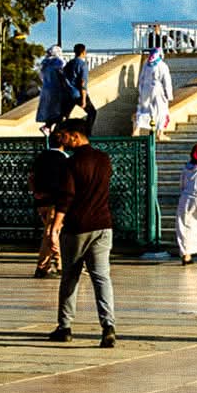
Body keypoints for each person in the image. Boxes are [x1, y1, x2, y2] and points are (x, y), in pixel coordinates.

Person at [46, 119, 117, 347]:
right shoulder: (104, 160)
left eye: (65, 136)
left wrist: (55, 228)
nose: (62, 140)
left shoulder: (71, 164)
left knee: (70, 277)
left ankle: (65, 326)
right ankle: (108, 326)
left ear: (75, 136)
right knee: (101, 277)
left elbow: (66, 198)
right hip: (103, 225)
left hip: (78, 227)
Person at [29, 126, 70, 278]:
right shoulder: (65, 158)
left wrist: (35, 193)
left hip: (41, 202)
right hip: (55, 201)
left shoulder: (40, 157)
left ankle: (51, 265)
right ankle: (49, 266)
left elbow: (31, 177)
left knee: (51, 232)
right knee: (51, 233)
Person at [134, 46, 173, 138]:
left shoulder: (146, 64)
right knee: (162, 111)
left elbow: (141, 79)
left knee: (144, 110)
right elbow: (167, 81)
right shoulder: (162, 65)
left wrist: (141, 91)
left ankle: (136, 130)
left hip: (145, 90)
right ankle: (160, 133)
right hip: (157, 90)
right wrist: (169, 95)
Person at [36, 46, 67, 133]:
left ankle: (48, 127)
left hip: (46, 89)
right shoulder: (58, 62)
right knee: (58, 111)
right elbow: (63, 74)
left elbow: (41, 76)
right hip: (56, 89)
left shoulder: (45, 63)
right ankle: (53, 129)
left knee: (49, 111)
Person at [63, 44, 92, 115]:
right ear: (83, 52)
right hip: (78, 94)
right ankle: (87, 126)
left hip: (68, 93)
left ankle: (58, 126)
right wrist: (84, 99)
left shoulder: (69, 63)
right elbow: (83, 83)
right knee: (92, 113)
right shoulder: (82, 65)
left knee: (64, 114)